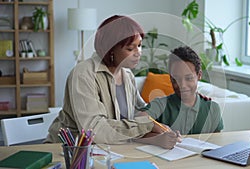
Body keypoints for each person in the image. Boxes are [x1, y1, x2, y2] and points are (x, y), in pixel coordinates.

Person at [45, 15, 179, 149]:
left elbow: (141, 111)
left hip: (108, 149)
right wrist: (146, 125)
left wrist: (162, 128)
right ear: (110, 49)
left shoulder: (127, 75)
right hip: (69, 151)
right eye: (130, 48)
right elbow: (96, 131)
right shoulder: (83, 74)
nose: (138, 53)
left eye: (139, 45)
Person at [142, 46, 224, 135]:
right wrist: (158, 132)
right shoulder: (160, 105)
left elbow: (217, 141)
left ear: (199, 75)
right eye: (176, 79)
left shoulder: (212, 109)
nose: (182, 85)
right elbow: (140, 118)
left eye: (188, 78)